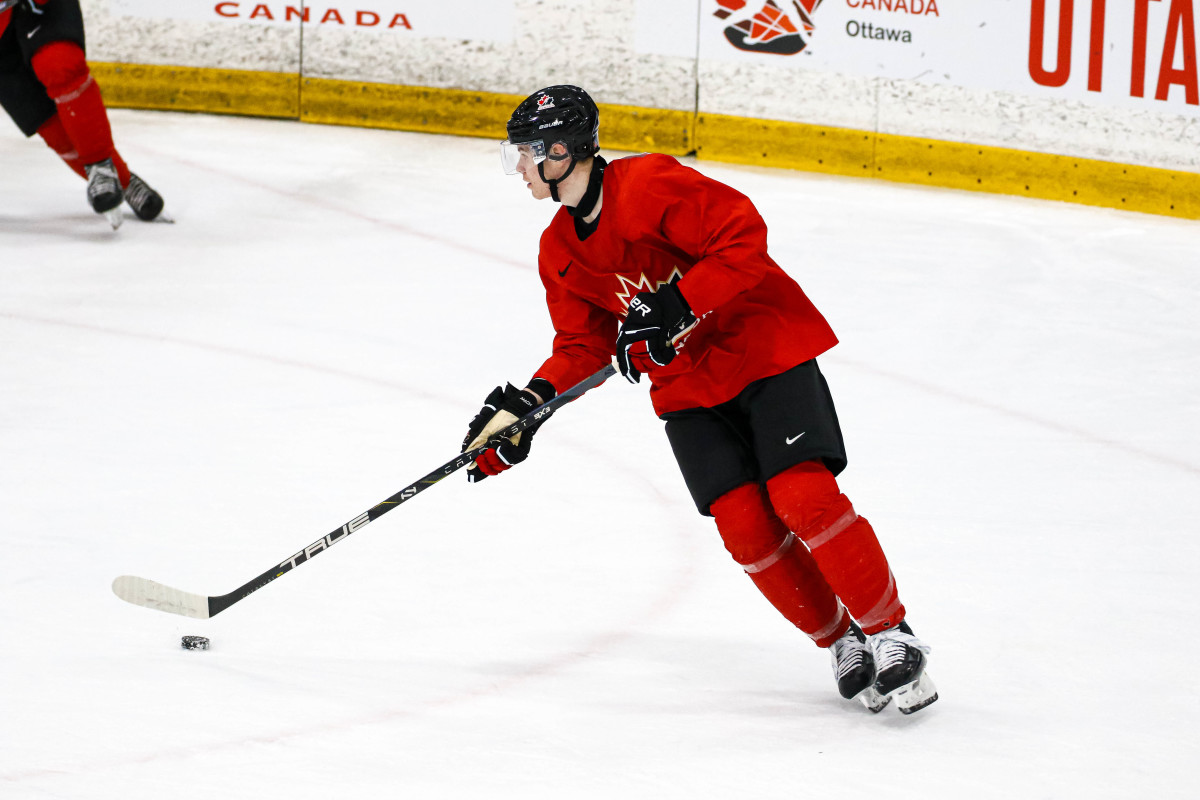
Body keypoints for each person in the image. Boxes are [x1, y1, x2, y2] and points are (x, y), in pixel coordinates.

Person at [461, 85, 937, 715]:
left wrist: (679, 301)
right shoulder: (559, 250)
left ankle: (891, 632)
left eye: (525, 153)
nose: (518, 167)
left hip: (763, 349)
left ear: (561, 151)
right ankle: (841, 640)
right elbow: (585, 345)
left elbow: (743, 236)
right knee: (745, 528)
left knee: (803, 497)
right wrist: (532, 404)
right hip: (686, 386)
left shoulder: (650, 185)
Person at [0, 0, 163, 227]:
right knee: (42, 116)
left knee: (58, 63)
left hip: (38, 7)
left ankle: (100, 166)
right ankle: (123, 181)